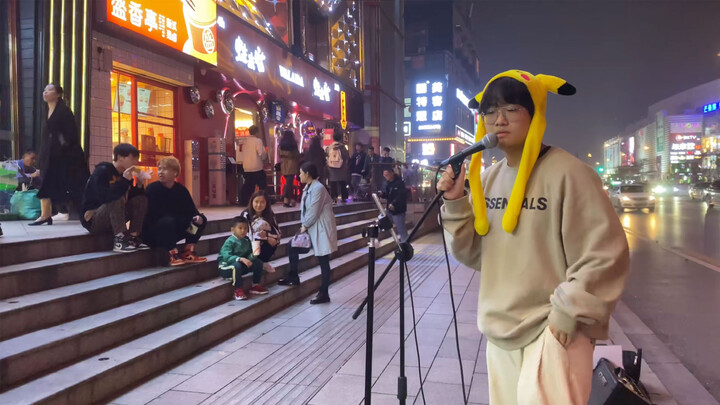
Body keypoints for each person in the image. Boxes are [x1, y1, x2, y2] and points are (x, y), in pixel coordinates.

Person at [437, 70, 629, 405]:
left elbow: (605, 253)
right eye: (490, 111)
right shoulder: (490, 178)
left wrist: (567, 313)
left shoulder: (570, 173)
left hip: (553, 329)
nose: (499, 120)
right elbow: (475, 255)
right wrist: (455, 203)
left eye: (512, 109)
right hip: (499, 329)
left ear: (535, 113)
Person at [278, 162, 338, 304]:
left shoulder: (318, 188)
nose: (299, 175)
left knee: (323, 260)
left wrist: (304, 226)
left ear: (307, 174)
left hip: (321, 228)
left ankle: (324, 292)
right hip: (312, 227)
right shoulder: (309, 187)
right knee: (291, 247)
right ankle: (293, 276)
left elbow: (313, 211)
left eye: (301, 173)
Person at [31, 83, 89, 225]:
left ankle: (68, 212)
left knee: (62, 183)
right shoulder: (47, 111)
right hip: (49, 153)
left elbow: (70, 134)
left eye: (49, 90)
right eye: (44, 90)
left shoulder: (64, 111)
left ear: (58, 94)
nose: (45, 92)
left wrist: (63, 150)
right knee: (46, 181)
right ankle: (47, 215)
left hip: (62, 155)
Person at [80, 143, 148, 252]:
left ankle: (133, 237)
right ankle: (120, 240)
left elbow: (131, 199)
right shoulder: (102, 171)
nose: (136, 162)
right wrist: (125, 180)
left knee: (141, 200)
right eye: (133, 158)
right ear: (120, 157)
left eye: (137, 159)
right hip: (93, 218)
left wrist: (139, 183)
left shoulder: (125, 175)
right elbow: (106, 197)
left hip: (114, 216)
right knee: (116, 198)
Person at [143, 156, 208, 266]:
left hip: (175, 229)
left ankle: (188, 251)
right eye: (159, 169)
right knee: (167, 222)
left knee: (201, 220)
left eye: (165, 169)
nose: (160, 172)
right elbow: (155, 215)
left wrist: (197, 217)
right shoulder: (152, 189)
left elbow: (192, 211)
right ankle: (172, 254)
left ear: (175, 173)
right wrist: (186, 219)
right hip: (156, 232)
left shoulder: (181, 190)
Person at [218, 216, 270, 301]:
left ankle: (255, 285)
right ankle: (237, 290)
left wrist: (254, 255)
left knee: (258, 262)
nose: (243, 230)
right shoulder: (229, 241)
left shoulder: (246, 240)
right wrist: (240, 259)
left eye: (245, 228)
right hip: (227, 268)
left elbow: (248, 258)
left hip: (240, 267)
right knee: (236, 266)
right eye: (240, 228)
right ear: (233, 230)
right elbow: (226, 256)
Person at [240, 190, 281, 273]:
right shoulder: (246, 214)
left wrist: (267, 236)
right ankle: (254, 261)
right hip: (248, 243)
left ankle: (263, 262)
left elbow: (277, 232)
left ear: (266, 203)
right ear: (252, 202)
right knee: (258, 242)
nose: (259, 205)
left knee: (274, 241)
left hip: (263, 242)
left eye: (262, 202)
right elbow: (245, 233)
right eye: (256, 202)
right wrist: (264, 237)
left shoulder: (269, 214)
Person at [239, 125, 268, 206]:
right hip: (257, 167)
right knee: (262, 184)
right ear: (257, 132)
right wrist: (266, 153)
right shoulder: (258, 141)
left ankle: (244, 201)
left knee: (248, 185)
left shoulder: (245, 141)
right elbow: (261, 154)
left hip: (246, 167)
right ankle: (264, 200)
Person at [378, 168, 408, 241]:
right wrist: (382, 194)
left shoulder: (399, 183)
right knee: (380, 219)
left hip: (398, 210)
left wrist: (394, 203)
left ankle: (406, 244)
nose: (386, 177)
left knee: (401, 229)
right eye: (384, 175)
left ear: (392, 173)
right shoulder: (388, 183)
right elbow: (388, 195)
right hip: (389, 209)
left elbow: (400, 196)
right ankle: (376, 238)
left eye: (387, 175)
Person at [325, 132, 350, 204]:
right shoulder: (342, 147)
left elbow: (327, 156)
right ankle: (344, 197)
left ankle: (333, 198)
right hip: (341, 168)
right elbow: (346, 157)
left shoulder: (330, 147)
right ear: (340, 138)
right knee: (342, 183)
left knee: (333, 184)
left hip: (332, 167)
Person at [278, 130, 301, 207]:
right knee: (289, 183)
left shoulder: (281, 145)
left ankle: (287, 200)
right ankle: (286, 199)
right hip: (292, 165)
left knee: (287, 183)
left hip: (284, 165)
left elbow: (279, 154)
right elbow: (297, 155)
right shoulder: (293, 145)